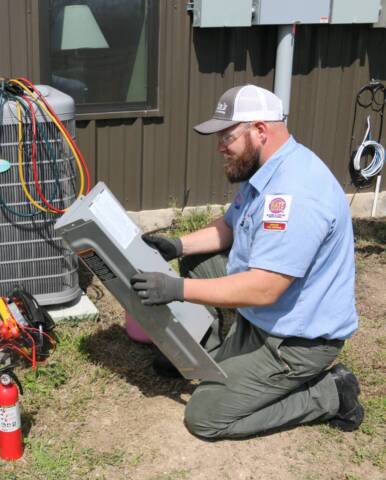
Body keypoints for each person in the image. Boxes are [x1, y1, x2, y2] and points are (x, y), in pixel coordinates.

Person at [130, 85, 363, 439]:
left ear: (260, 130)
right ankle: (207, 350)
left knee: (205, 417)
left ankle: (330, 394)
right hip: (268, 315)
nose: (220, 146)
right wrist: (177, 246)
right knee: (198, 258)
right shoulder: (269, 170)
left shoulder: (295, 194)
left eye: (228, 136)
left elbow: (265, 288)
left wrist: (176, 289)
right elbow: (229, 227)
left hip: (294, 341)